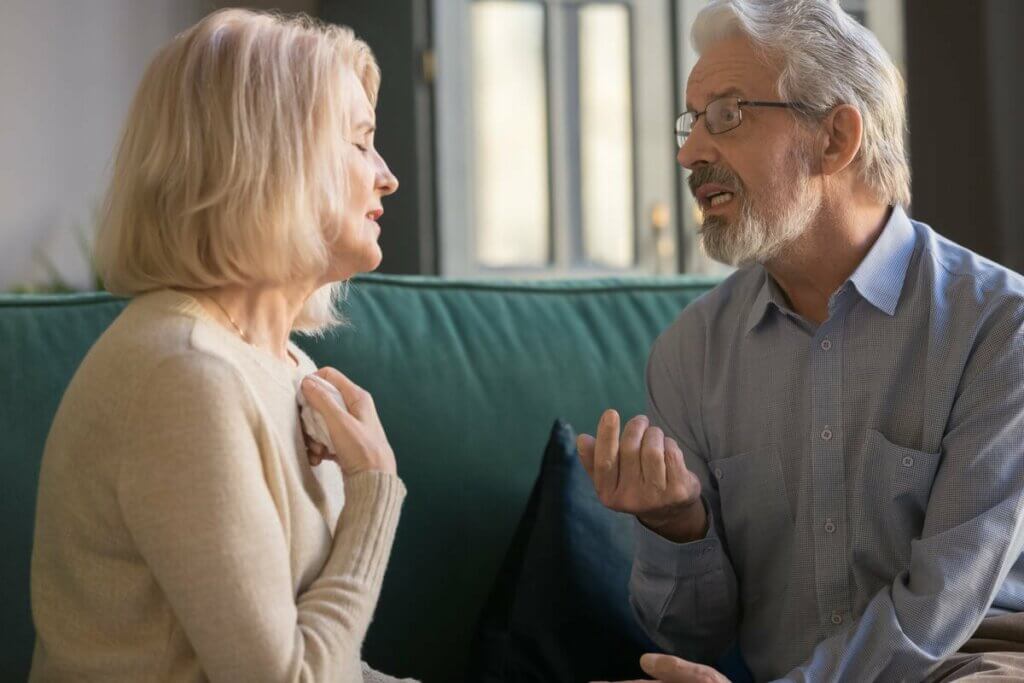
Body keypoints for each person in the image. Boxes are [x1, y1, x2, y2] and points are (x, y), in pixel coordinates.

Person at [578, 1, 1024, 681]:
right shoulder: (689, 353)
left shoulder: (1001, 328)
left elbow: (942, 606)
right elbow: (690, 636)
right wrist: (679, 524)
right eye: (691, 121)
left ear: (836, 138)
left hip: (971, 664)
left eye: (726, 114)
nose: (689, 152)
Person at [29, 9, 415, 682]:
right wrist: (374, 493)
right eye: (359, 143)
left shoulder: (281, 364)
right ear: (272, 162)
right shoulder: (182, 375)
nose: (386, 176)